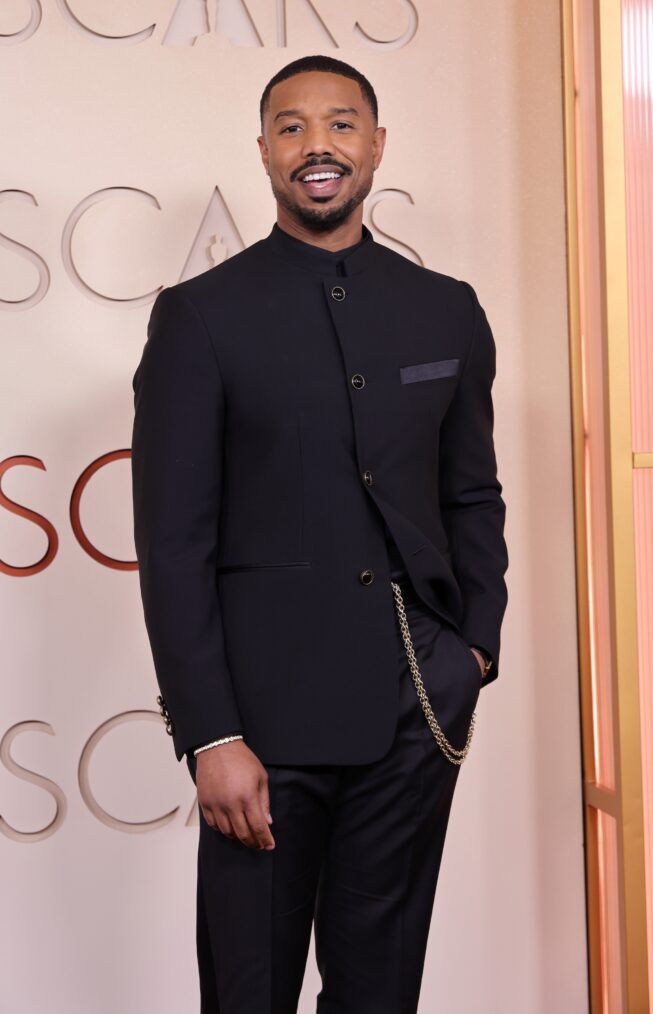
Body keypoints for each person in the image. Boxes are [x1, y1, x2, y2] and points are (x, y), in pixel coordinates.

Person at [131, 53, 508, 1014]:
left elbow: (473, 499)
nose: (317, 147)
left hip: (414, 711)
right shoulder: (200, 318)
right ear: (263, 152)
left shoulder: (447, 311)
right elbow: (173, 542)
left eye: (340, 124)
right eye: (292, 128)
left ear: (376, 145)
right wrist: (211, 732)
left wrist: (473, 653)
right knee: (248, 993)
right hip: (259, 728)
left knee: (379, 993)